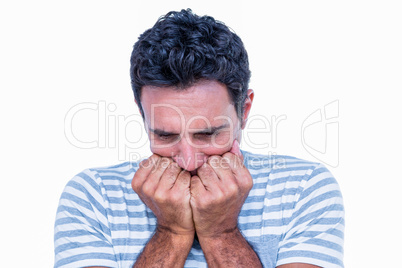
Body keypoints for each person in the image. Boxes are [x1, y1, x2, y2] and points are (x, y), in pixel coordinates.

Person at [54, 9, 344, 268]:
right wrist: (171, 232)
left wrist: (221, 233)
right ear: (142, 115)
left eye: (207, 134)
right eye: (164, 135)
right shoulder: (93, 196)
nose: (189, 161)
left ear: (244, 110)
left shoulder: (304, 187)